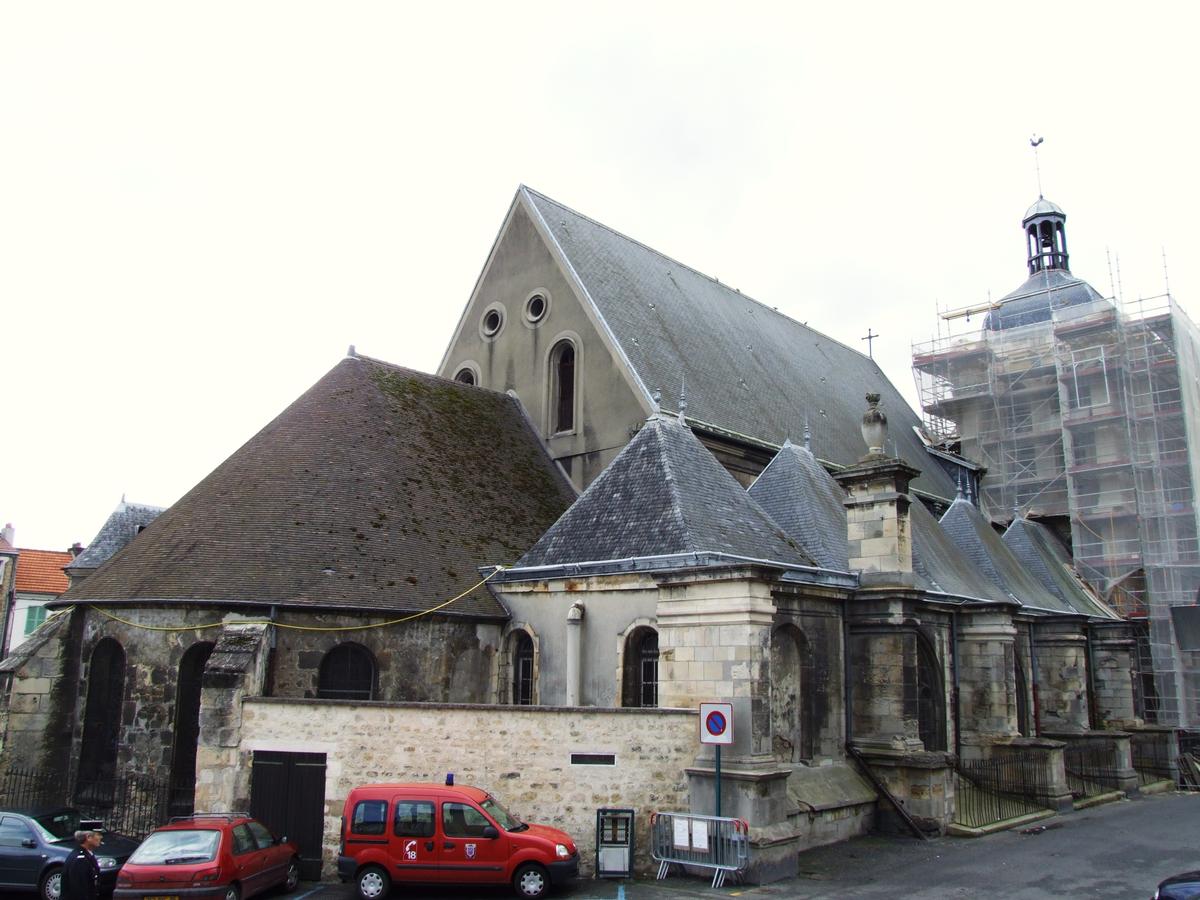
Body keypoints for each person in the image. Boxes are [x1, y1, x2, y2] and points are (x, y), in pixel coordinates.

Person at [62, 830, 101, 900]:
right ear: (88, 837)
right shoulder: (80, 860)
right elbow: (79, 889)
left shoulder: (87, 854)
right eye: (98, 834)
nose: (100, 837)